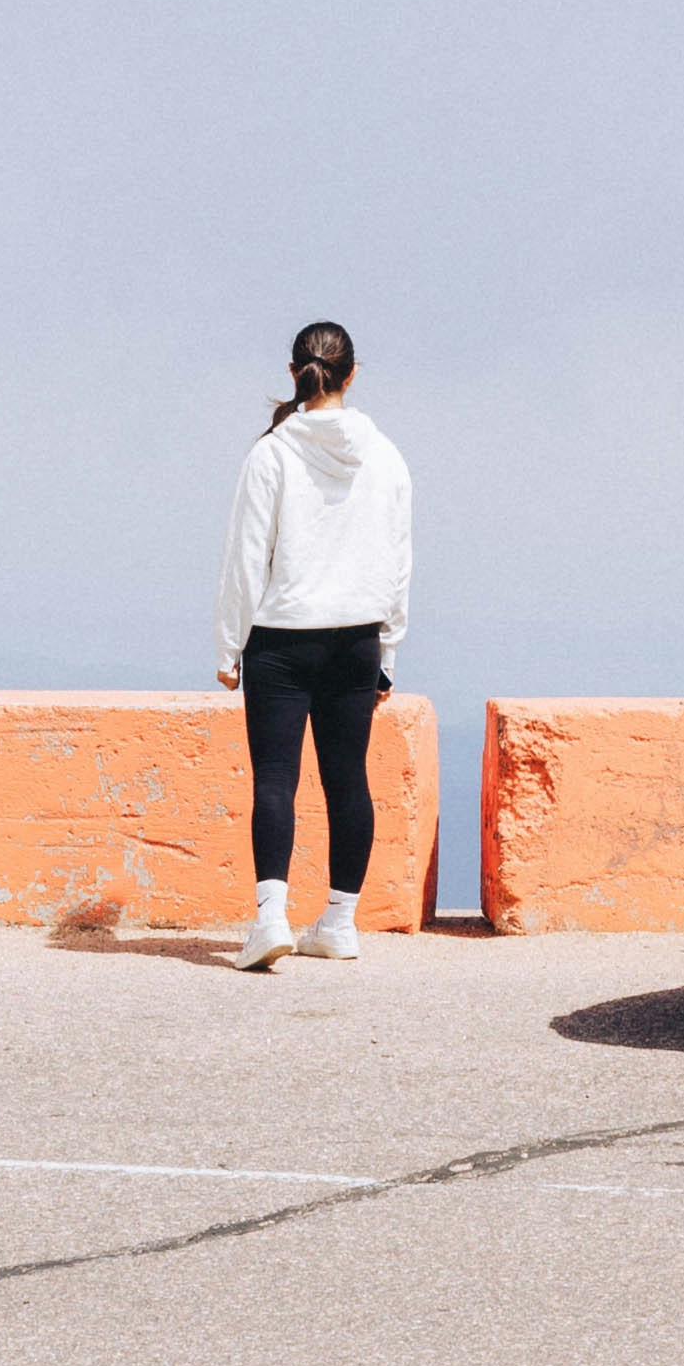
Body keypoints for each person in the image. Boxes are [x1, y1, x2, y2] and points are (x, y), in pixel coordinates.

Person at [214, 320, 413, 970]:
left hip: (281, 640)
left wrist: (228, 648)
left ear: (294, 371)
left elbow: (246, 558)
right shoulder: (385, 456)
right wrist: (388, 651)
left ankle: (270, 919)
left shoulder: (271, 454)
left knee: (276, 777)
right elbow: (398, 560)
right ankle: (339, 923)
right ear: (351, 375)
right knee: (347, 778)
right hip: (357, 638)